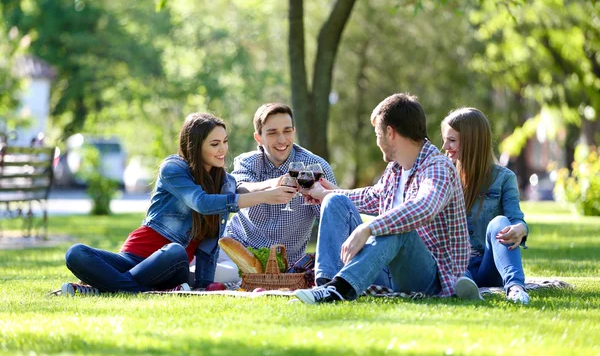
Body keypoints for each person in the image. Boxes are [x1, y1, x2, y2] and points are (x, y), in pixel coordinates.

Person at [60, 113, 296, 296]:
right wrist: (267, 195)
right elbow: (202, 203)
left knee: (175, 250)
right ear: (196, 145)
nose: (223, 149)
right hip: (134, 257)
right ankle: (132, 289)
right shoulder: (174, 169)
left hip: (172, 264)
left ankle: (105, 286)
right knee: (76, 253)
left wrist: (272, 184)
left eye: (224, 142)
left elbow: (239, 192)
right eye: (214, 144)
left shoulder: (222, 181)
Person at [293, 93, 470, 304]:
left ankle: (340, 289)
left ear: (390, 132)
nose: (377, 141)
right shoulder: (395, 169)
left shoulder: (438, 167)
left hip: (431, 279)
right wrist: (325, 194)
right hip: (386, 269)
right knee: (334, 202)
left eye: (377, 133)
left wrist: (367, 228)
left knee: (397, 227)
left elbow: (424, 206)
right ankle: (326, 287)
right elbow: (373, 197)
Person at [215, 103, 335, 282]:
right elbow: (239, 188)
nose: (282, 139)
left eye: (287, 131)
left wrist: (320, 196)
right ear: (259, 138)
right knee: (205, 273)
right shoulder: (247, 162)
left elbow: (331, 217)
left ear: (294, 131)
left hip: (286, 265)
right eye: (272, 133)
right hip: (238, 251)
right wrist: (273, 184)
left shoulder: (315, 166)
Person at [441, 107, 530, 304]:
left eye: (452, 140)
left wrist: (520, 229)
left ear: (472, 142)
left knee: (500, 222)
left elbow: (517, 220)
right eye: (445, 140)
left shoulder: (504, 178)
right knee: (454, 265)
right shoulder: (443, 177)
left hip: (491, 266)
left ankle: (516, 289)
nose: (445, 146)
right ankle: (465, 286)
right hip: (458, 264)